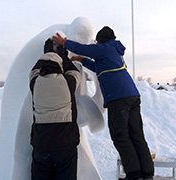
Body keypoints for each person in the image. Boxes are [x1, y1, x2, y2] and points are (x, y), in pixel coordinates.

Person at [52, 27, 154, 180]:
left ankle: (133, 173)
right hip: (132, 96)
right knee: (136, 134)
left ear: (101, 40)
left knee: (120, 135)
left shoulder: (105, 48)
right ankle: (147, 172)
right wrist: (81, 60)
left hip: (118, 98)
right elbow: (97, 67)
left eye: (97, 42)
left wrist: (65, 42)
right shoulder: (114, 52)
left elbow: (84, 48)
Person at [29, 38, 81, 180]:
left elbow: (33, 71)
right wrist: (63, 56)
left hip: (41, 144)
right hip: (65, 143)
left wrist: (48, 54)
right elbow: (75, 72)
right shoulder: (68, 82)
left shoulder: (35, 83)